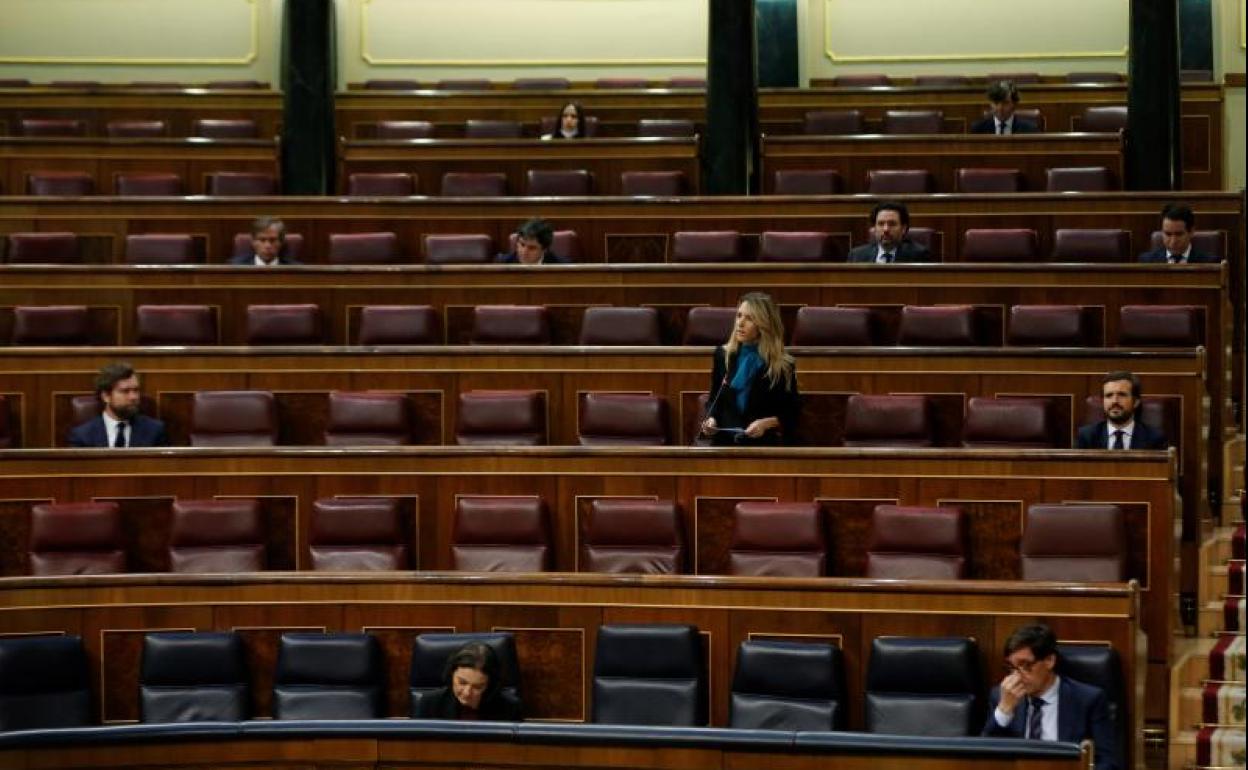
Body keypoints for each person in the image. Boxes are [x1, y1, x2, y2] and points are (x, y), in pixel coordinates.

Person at [983, 623, 1120, 770]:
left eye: (1026, 665)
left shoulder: (1088, 699)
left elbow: (1108, 763)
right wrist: (1004, 710)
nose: (1017, 676)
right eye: (1012, 667)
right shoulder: (1001, 697)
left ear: (1049, 661)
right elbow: (984, 758)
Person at [699, 292, 800, 446]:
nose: (740, 323)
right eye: (739, 316)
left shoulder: (781, 364)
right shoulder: (723, 355)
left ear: (764, 324)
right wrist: (711, 419)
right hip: (725, 445)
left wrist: (766, 423)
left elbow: (792, 413)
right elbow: (715, 399)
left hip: (763, 446)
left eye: (750, 318)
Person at [68, 362, 169, 448]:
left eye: (136, 390)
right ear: (106, 396)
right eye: (125, 391)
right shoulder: (82, 436)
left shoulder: (155, 431)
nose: (133, 397)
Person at [413, 643, 523, 721]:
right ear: (451, 674)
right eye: (462, 682)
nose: (467, 692)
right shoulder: (428, 704)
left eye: (478, 687)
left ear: (490, 685)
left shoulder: (510, 708)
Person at [1075, 371, 1168, 449]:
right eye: (1109, 395)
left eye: (1122, 395)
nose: (1114, 401)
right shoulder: (1086, 436)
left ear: (1135, 401)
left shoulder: (1154, 438)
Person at [846, 201, 933, 263]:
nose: (886, 229)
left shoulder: (919, 256)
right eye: (880, 224)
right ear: (874, 228)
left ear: (903, 228)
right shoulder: (856, 256)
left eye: (892, 224)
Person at [1138, 203, 1220, 264]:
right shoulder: (1147, 261)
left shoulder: (1209, 263)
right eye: (1168, 234)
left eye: (1179, 234)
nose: (1173, 241)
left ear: (1191, 232)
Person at [970, 80, 1039, 135]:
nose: (1000, 108)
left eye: (1005, 103)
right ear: (990, 104)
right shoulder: (978, 129)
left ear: (1014, 104)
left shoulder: (1029, 130)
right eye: (996, 103)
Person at [229, 216, 300, 265]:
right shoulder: (235, 268)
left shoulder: (296, 270)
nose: (267, 246)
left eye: (273, 240)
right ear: (253, 241)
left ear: (281, 242)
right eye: (262, 240)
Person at [496, 218, 569, 265]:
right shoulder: (503, 264)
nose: (524, 252)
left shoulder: (561, 267)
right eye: (522, 244)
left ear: (545, 249)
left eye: (532, 248)